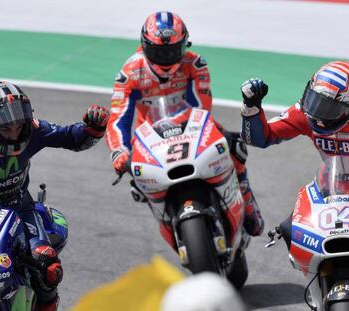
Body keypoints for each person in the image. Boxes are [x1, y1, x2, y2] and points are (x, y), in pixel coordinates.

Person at [0, 81, 109, 311]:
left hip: (19, 208)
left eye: (19, 126)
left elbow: (73, 137)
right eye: (6, 129)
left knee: (48, 267)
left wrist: (93, 128)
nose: (14, 134)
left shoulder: (34, 130)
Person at [105, 11, 264, 240]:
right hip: (150, 136)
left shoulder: (195, 63)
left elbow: (202, 107)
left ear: (184, 44)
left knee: (236, 148)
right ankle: (168, 219)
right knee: (138, 184)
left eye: (173, 51)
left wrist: (205, 131)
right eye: (159, 51)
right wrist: (120, 151)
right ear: (145, 46)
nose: (167, 58)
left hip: (193, 126)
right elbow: (119, 117)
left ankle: (247, 203)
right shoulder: (130, 73)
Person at [239, 60, 349, 247]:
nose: (318, 115)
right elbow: (259, 138)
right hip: (332, 190)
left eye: (329, 108)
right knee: (291, 232)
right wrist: (251, 107)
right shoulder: (306, 114)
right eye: (314, 100)